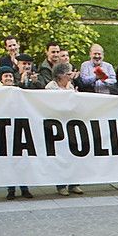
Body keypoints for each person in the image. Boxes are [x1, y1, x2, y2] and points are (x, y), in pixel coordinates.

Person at [46, 63, 84, 196]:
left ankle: (74, 183)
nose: (70, 77)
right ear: (60, 75)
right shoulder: (51, 87)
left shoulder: (70, 86)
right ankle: (61, 185)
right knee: (60, 156)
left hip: (70, 124)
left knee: (74, 154)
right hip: (56, 126)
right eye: (68, 74)